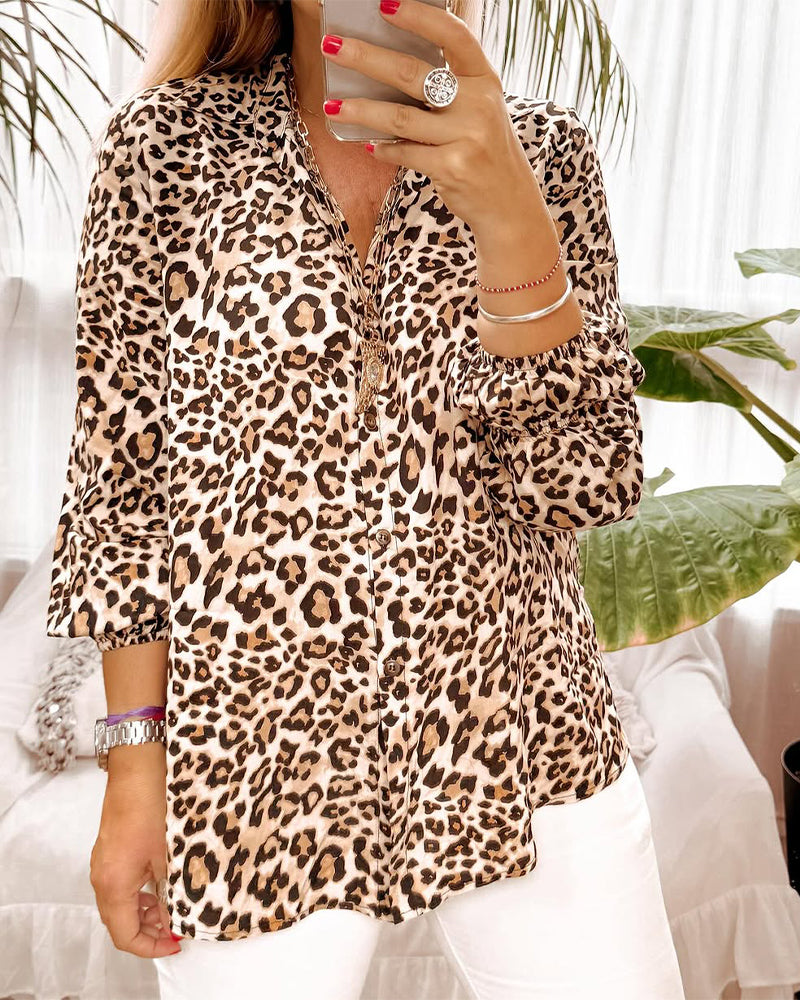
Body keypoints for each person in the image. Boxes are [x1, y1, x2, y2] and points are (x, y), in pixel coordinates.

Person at [45, 0, 685, 997]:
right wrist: (135, 766)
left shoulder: (544, 152)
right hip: (251, 764)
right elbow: (124, 487)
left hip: (526, 742)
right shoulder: (163, 145)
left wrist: (510, 214)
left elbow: (586, 484)